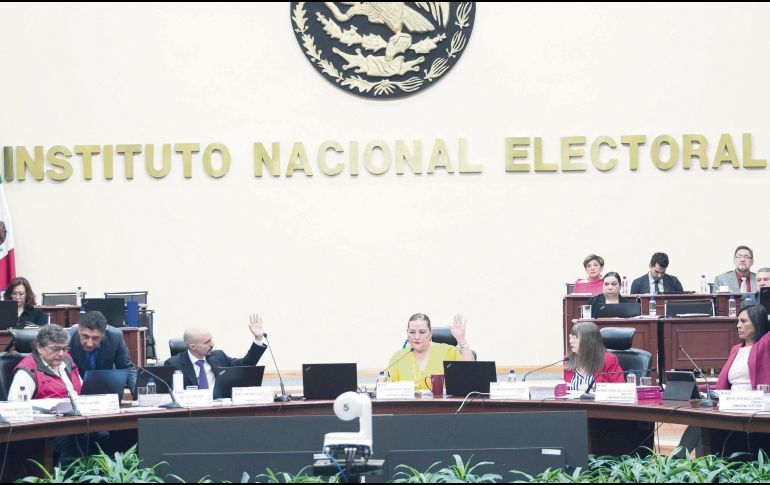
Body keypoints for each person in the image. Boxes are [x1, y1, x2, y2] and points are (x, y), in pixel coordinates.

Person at [8, 324, 111, 464]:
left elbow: (81, 391)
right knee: (76, 438)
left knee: (106, 435)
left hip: (78, 421)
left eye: (65, 348)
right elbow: (16, 408)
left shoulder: (67, 360)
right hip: (49, 429)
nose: (62, 354)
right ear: (39, 347)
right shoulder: (27, 371)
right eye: (56, 349)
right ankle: (70, 475)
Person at [678, 303, 770, 456]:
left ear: (758, 322)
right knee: (701, 419)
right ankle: (695, 461)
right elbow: (724, 384)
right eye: (738, 321)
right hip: (731, 402)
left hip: (755, 404)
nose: (738, 325)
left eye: (743, 321)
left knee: (704, 421)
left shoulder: (766, 344)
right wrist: (697, 389)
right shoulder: (736, 349)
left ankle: (678, 459)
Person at [165, 314, 267, 390]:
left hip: (219, 408)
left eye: (211, 339)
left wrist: (258, 338)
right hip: (192, 410)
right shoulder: (174, 364)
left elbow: (246, 365)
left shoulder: (219, 357)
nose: (212, 344)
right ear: (193, 346)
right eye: (207, 342)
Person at [386, 313, 475, 391]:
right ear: (407, 333)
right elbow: (386, 387)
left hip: (441, 405)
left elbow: (469, 373)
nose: (416, 337)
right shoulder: (398, 357)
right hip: (406, 405)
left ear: (430, 333)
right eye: (412, 332)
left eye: (422, 332)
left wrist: (462, 340)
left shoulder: (447, 352)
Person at [67, 311, 137, 396]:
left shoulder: (115, 337)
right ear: (79, 330)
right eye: (85, 336)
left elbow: (126, 367)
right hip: (77, 392)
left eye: (95, 338)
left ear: (103, 334)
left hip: (107, 391)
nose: (89, 343)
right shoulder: (68, 339)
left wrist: (137, 395)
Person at [564, 321, 624, 392]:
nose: (570, 341)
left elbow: (620, 389)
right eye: (570, 337)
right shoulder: (569, 359)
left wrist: (593, 389)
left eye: (574, 338)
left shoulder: (609, 360)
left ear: (587, 341)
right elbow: (565, 388)